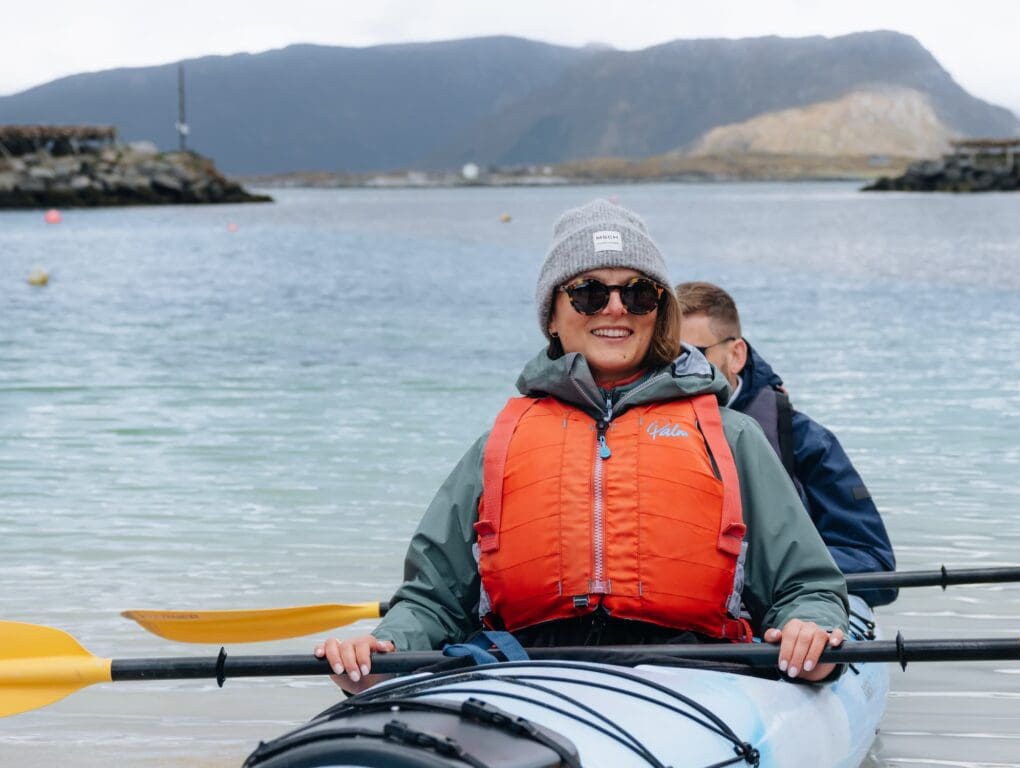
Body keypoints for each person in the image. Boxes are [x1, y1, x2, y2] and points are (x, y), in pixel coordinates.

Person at [316, 200, 848, 691]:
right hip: (527, 674)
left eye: (638, 293)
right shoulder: (499, 443)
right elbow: (432, 600)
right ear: (552, 314)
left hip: (696, 675)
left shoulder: (731, 436)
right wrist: (385, 648)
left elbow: (807, 587)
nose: (614, 309)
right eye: (589, 292)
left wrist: (812, 629)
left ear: (658, 311)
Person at [675, 281, 897, 607]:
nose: (680, 369)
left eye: (694, 354)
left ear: (736, 355)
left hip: (779, 613)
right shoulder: (639, 432)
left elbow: (875, 564)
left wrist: (772, 568)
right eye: (668, 356)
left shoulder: (804, 440)